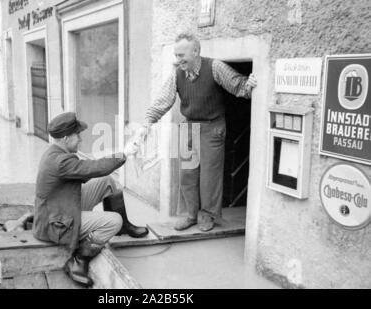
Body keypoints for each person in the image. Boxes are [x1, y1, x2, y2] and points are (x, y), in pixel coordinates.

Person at [136, 32, 257, 233]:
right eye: (176, 55)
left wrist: (249, 84)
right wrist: (148, 121)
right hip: (188, 127)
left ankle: (207, 215)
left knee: (210, 177)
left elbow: (238, 85)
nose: (178, 60)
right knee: (187, 175)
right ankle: (191, 215)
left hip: (212, 127)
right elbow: (163, 101)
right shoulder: (177, 74)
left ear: (196, 51)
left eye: (182, 55)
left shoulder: (215, 67)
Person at [33, 112, 149, 287]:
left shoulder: (56, 153)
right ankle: (78, 261)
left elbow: (91, 170)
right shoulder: (60, 161)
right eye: (77, 135)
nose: (80, 139)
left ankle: (124, 226)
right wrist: (124, 154)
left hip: (61, 207)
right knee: (112, 221)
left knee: (107, 182)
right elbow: (93, 168)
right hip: (56, 225)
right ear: (65, 138)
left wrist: (119, 155)